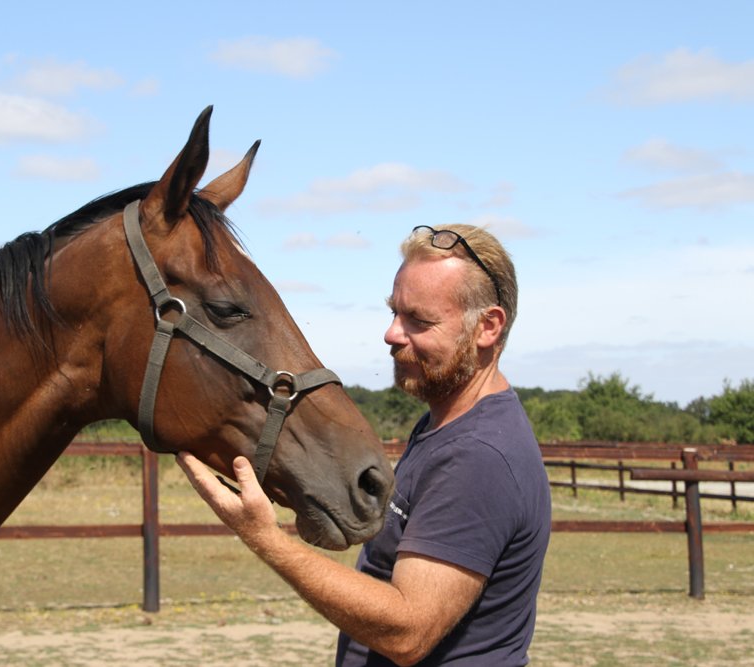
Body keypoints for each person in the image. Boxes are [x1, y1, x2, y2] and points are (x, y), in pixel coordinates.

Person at [177, 223, 551, 666]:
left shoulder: (479, 456)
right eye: (395, 312)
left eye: (419, 320)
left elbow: (408, 631)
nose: (392, 333)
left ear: (487, 327)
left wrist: (265, 538)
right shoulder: (447, 425)